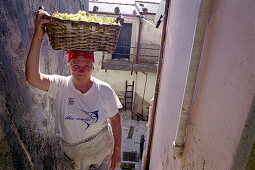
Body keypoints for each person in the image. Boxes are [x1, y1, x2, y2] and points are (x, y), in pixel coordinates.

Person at [25, 9, 122, 170]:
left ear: (92, 67)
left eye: (86, 66)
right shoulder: (60, 85)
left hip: (100, 154)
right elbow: (32, 78)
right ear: (68, 65)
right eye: (76, 65)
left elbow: (115, 119)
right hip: (72, 158)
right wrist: (38, 37)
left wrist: (117, 151)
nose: (81, 70)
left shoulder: (104, 90)